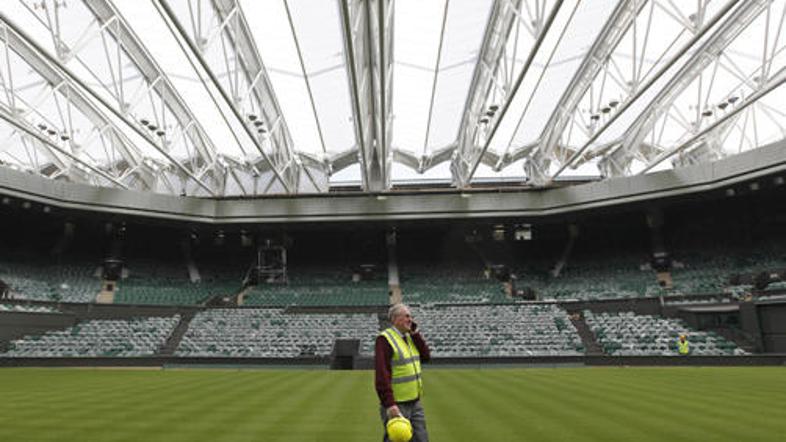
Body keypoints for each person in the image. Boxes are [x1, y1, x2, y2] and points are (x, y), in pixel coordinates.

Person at [375, 303, 430, 442]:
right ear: (395, 319)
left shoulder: (410, 337)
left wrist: (416, 334)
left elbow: (426, 357)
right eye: (406, 316)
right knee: (397, 439)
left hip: (414, 401)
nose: (410, 319)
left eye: (410, 316)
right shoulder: (385, 339)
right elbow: (382, 375)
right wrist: (390, 404)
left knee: (422, 438)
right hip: (397, 403)